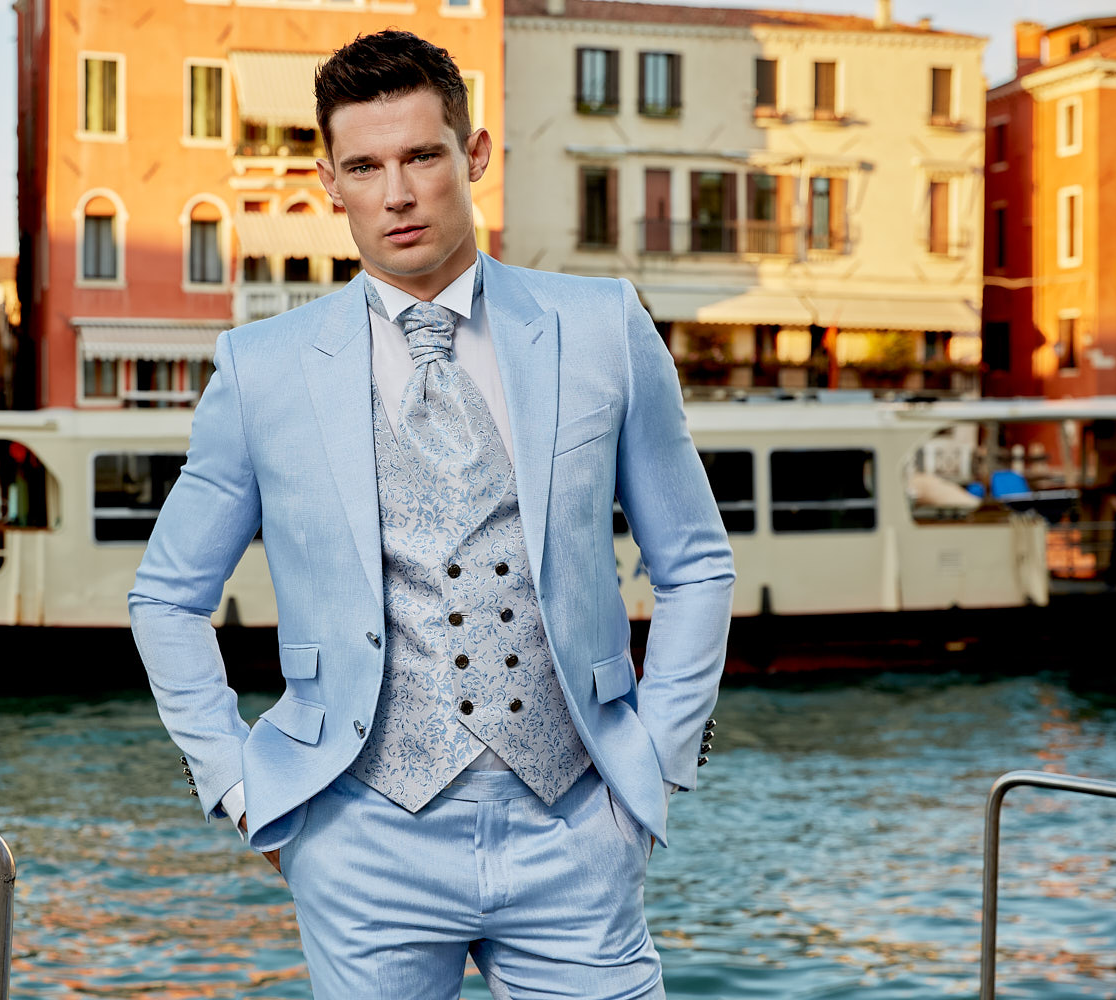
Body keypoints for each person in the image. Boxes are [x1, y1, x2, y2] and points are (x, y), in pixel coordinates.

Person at [128, 30, 733, 999]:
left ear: (474, 153)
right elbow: (167, 597)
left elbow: (696, 563)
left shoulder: (603, 327)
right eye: (365, 167)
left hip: (577, 831)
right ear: (330, 182)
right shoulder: (261, 368)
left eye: (421, 156)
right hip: (360, 839)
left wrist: (654, 765)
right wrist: (243, 791)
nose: (397, 194)